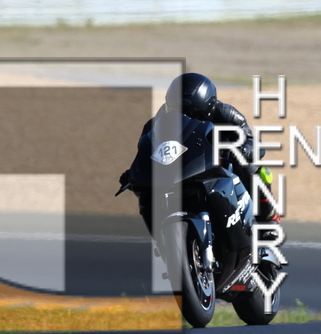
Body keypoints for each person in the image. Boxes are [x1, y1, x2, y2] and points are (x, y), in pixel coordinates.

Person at [119, 72, 279, 232]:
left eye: (193, 114)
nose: (185, 118)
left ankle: (268, 217)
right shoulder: (156, 123)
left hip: (218, 160)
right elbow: (147, 150)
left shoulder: (226, 113)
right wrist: (135, 172)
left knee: (256, 168)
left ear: (209, 107)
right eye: (178, 112)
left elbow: (253, 142)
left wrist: (241, 151)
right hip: (183, 167)